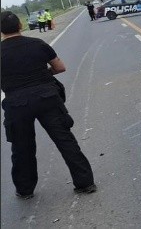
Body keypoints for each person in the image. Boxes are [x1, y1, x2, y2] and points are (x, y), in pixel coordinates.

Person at [0, 11, 97, 199]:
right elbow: (60, 67)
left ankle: (25, 190)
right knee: (65, 140)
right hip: (47, 98)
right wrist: (43, 76)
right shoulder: (37, 44)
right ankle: (85, 183)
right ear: (20, 25)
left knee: (21, 148)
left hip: (16, 104)